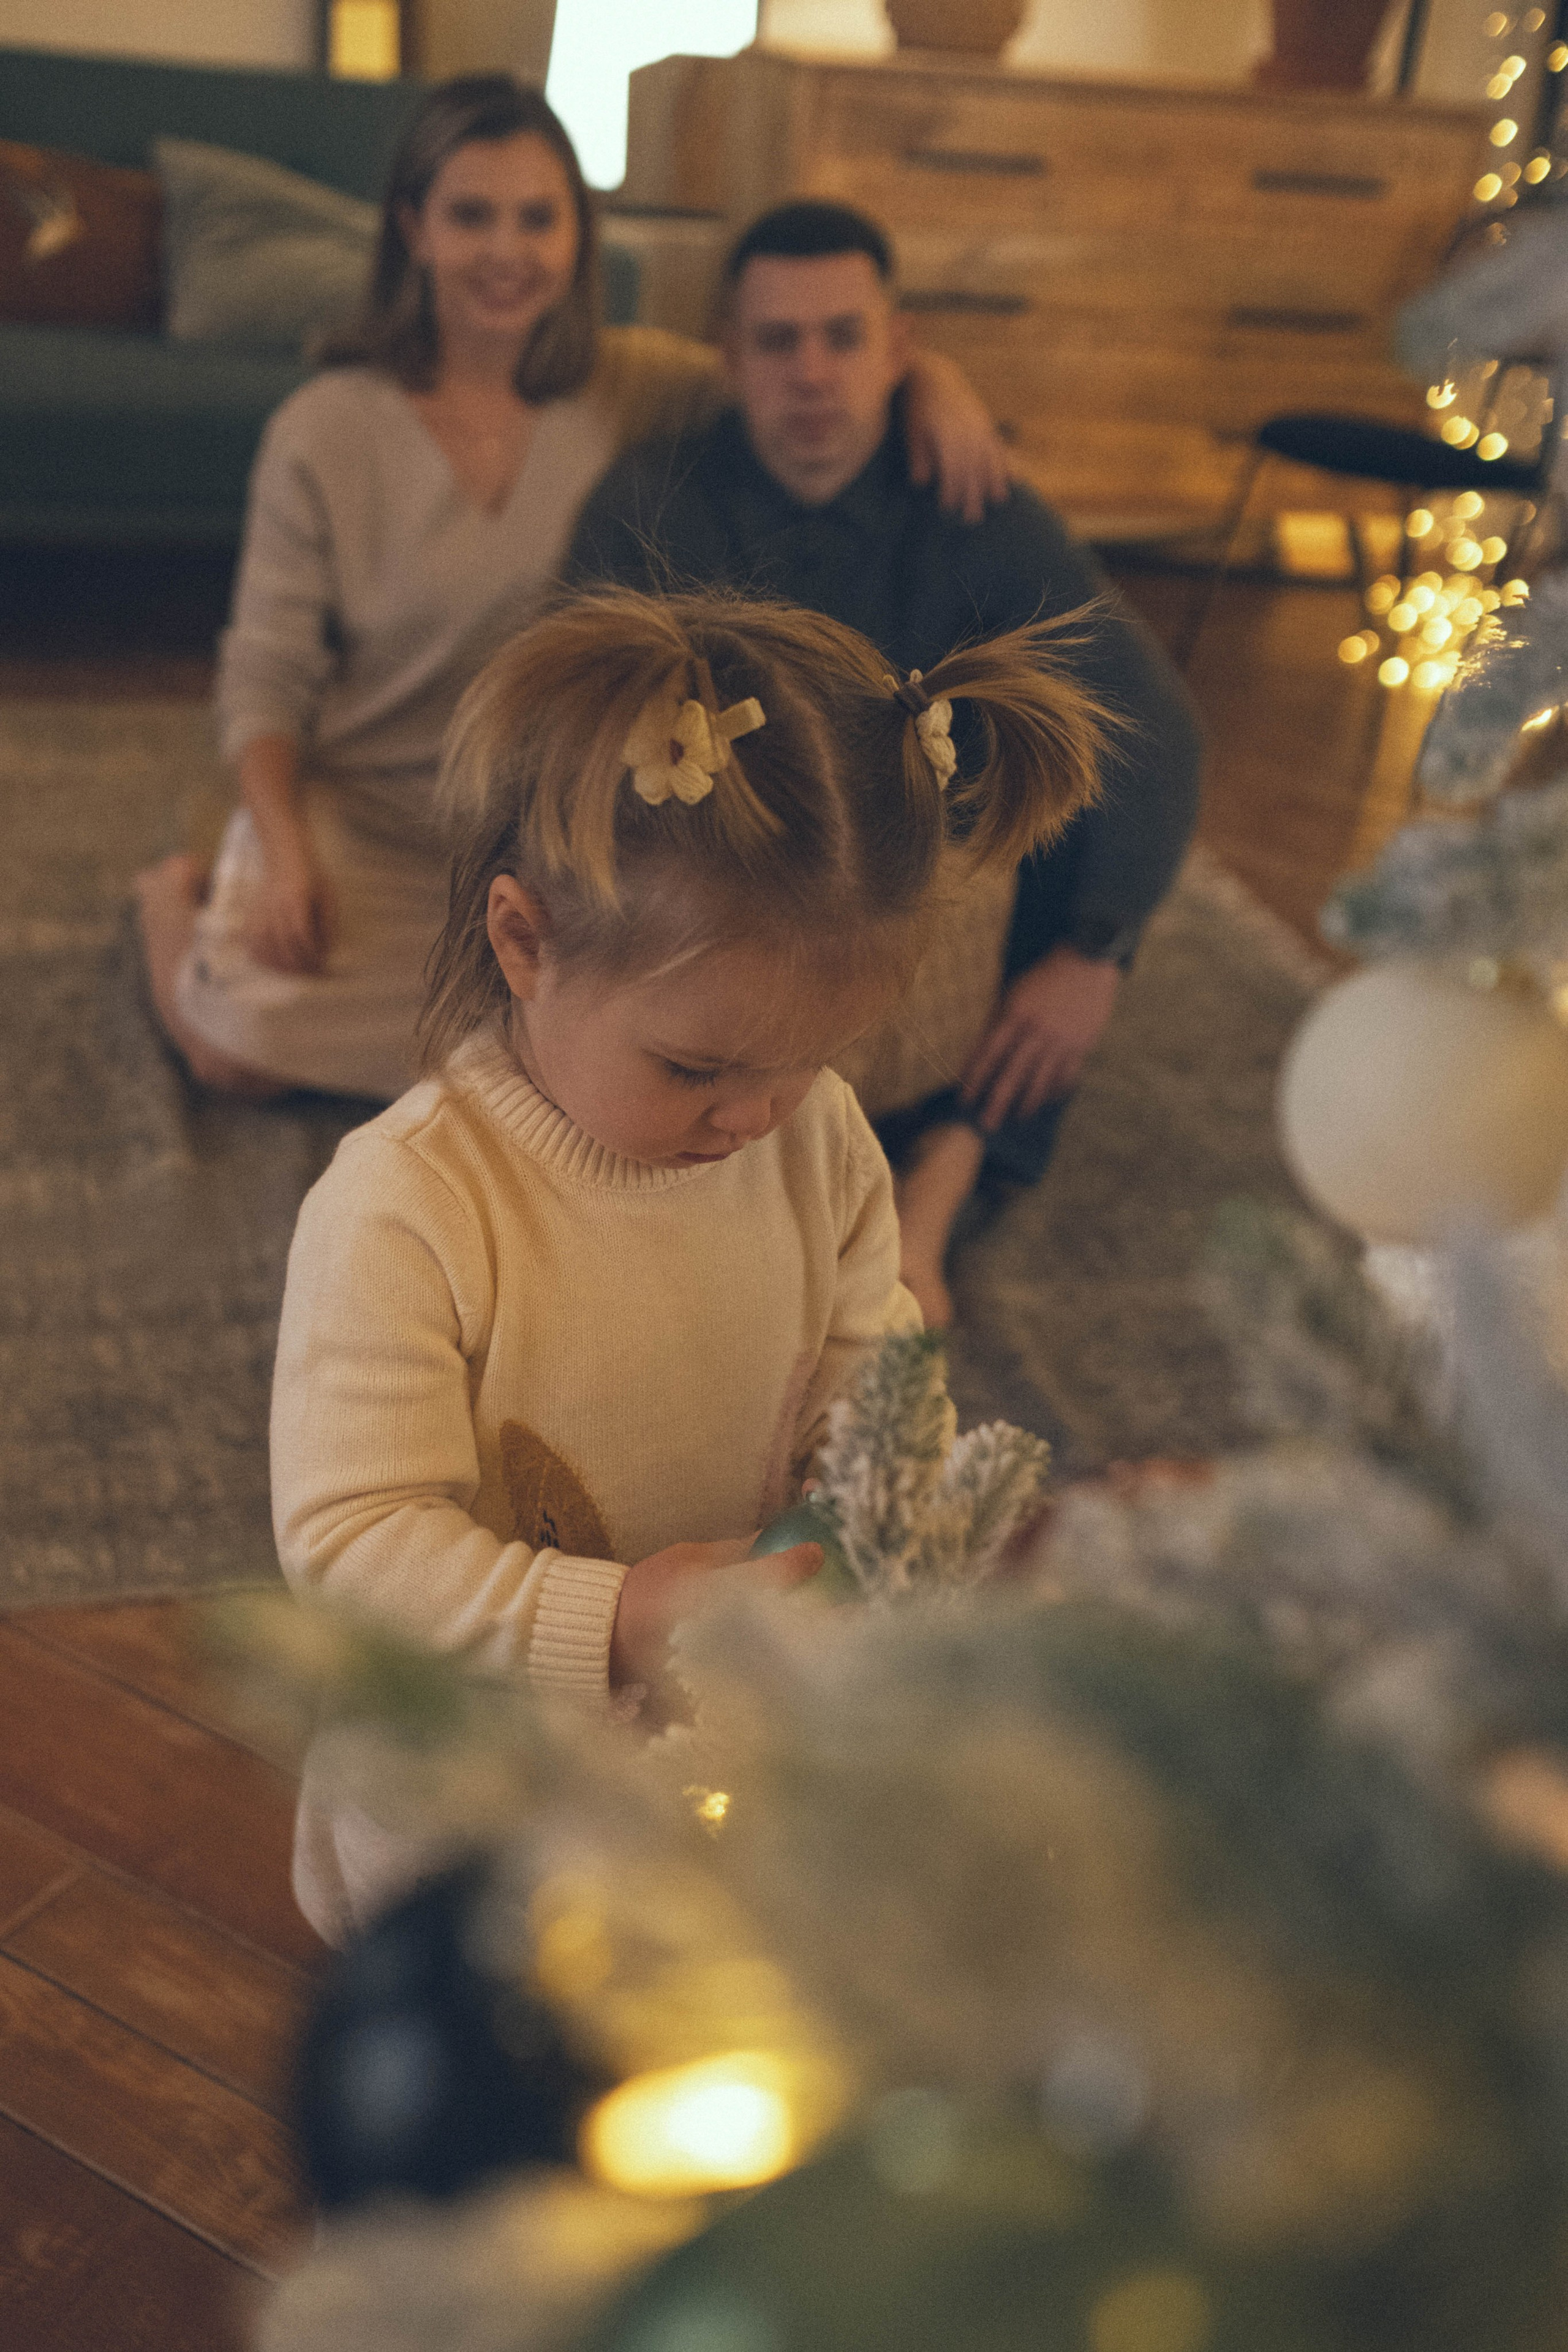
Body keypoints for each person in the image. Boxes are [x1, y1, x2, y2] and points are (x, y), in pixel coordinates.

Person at [271, 584, 1101, 1940]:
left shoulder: (811, 1135)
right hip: (472, 1804)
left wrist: (886, 1494)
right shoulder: (405, 1209)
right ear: (523, 941)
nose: (753, 1114)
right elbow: (352, 1545)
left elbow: (868, 1351)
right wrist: (615, 1616)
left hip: (723, 1753)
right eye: (696, 1066)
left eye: (806, 1060)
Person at [133, 83, 1008, 1103]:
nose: (507, 251)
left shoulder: (629, 382)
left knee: (564, 1068)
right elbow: (265, 677)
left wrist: (936, 379)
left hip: (551, 834)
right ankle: (171, 903)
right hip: (363, 818)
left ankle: (232, 896)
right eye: (472, 215)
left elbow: (794, 365)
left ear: (577, 237)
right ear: (415, 229)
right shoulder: (324, 429)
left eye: (538, 217)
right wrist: (286, 857)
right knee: (231, 1056)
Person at [566, 200, 1204, 1325]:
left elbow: (1154, 725)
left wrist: (1098, 954)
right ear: (728, 355)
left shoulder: (975, 503)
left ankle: (943, 1184)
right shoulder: (648, 498)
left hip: (928, 899)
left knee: (1063, 815)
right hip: (729, 886)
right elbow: (571, 728)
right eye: (778, 341)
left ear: (898, 348)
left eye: (843, 337)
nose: (812, 372)